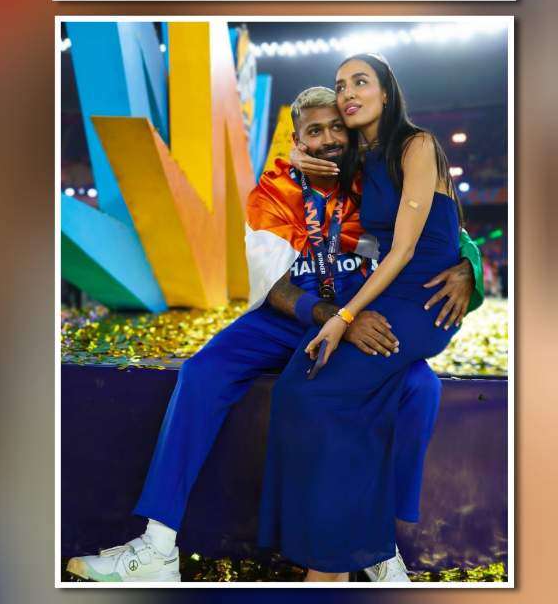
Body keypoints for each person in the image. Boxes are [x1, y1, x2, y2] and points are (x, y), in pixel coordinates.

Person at [65, 85, 481, 583]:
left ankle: (372, 543)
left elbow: (439, 231)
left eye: (337, 127)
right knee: (201, 374)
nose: (329, 139)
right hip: (291, 318)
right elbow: (277, 289)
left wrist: (470, 266)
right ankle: (157, 545)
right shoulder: (275, 190)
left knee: (419, 388)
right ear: (297, 140)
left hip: (363, 316)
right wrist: (341, 320)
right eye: (315, 131)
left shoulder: (375, 179)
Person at [259, 54, 466, 578]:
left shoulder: (417, 145)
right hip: (387, 293)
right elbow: (302, 166)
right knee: (295, 389)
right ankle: (350, 546)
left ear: (386, 92)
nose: (348, 92)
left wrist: (343, 317)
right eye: (340, 84)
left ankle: (333, 564)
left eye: (360, 81)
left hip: (423, 300)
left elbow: (404, 249)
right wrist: (294, 154)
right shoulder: (360, 157)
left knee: (320, 394)